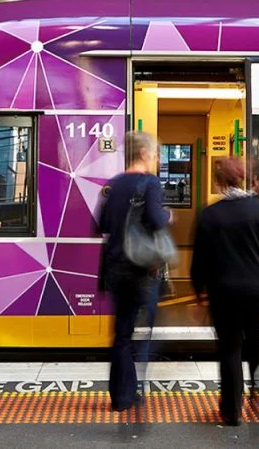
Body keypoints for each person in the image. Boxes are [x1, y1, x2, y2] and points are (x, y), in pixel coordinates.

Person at [190, 156, 259, 426]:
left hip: (225, 292)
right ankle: (258, 392)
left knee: (230, 349)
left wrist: (198, 294)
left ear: (219, 183)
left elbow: (200, 261)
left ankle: (232, 411)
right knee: (255, 341)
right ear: (244, 178)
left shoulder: (210, 214)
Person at [97, 131, 172, 412]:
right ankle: (133, 388)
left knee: (122, 334)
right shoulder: (150, 182)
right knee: (148, 329)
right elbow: (156, 220)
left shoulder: (114, 184)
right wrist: (168, 215)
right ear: (143, 153)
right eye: (155, 154)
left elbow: (101, 225)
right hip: (139, 269)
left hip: (114, 267)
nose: (156, 160)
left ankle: (122, 396)